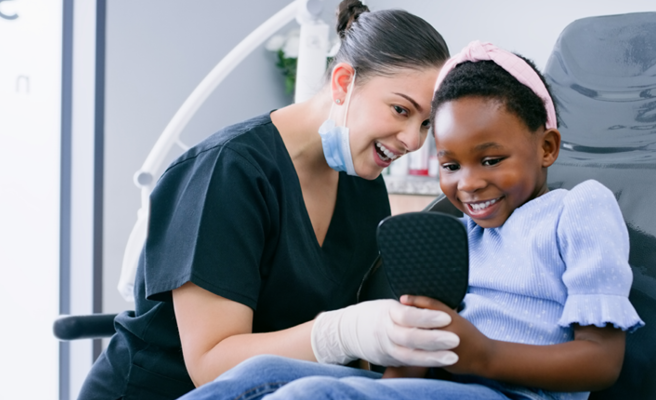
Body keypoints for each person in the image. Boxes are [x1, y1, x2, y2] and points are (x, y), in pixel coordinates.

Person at [176, 41, 645, 400]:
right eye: (450, 165)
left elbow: (601, 361)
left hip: (512, 393)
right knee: (257, 375)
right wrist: (390, 381)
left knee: (314, 395)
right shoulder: (460, 233)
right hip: (443, 386)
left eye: (491, 159)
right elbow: (421, 353)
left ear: (547, 147)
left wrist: (485, 355)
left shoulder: (577, 210)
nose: (469, 184)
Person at [77, 2, 458, 399]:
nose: (414, 141)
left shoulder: (363, 185)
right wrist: (343, 332)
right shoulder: (230, 171)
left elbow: (352, 356)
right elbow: (211, 364)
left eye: (426, 123)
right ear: (344, 83)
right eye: (401, 110)